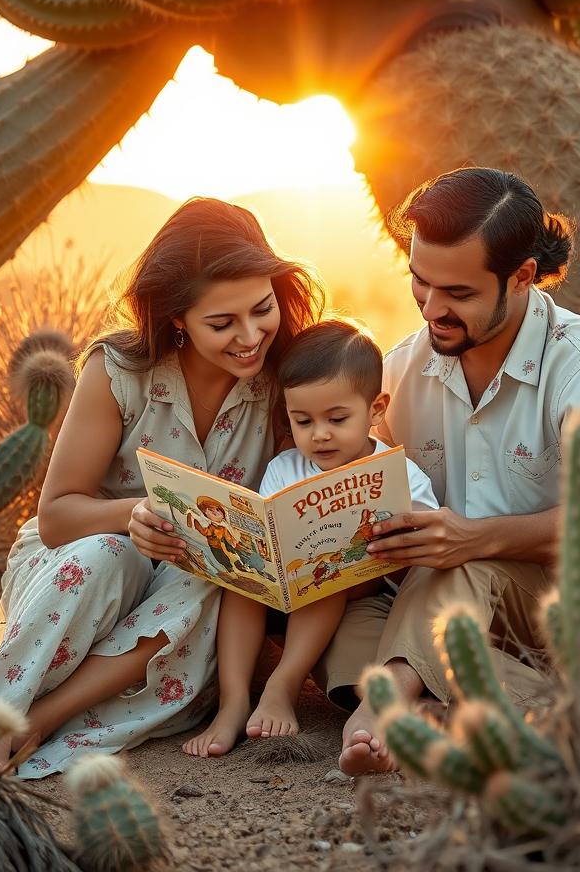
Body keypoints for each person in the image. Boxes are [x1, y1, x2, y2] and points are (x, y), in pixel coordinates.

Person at [0, 198, 324, 777]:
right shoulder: (118, 373)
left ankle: (40, 719)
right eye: (222, 323)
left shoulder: (287, 378)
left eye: (263, 309)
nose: (251, 335)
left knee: (210, 564)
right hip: (83, 560)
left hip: (192, 609)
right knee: (109, 556)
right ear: (177, 318)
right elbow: (56, 516)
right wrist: (136, 514)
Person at [316, 168, 580, 776]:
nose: (433, 308)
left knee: (456, 568)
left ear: (522, 276)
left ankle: (390, 703)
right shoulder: (399, 372)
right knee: (342, 627)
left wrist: (476, 539)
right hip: (439, 614)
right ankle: (462, 715)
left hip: (563, 608)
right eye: (420, 283)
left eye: (459, 294)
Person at [181, 319, 438, 757]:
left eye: (337, 419)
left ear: (376, 409)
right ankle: (234, 702)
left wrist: (402, 527)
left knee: (326, 571)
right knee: (241, 579)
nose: (319, 434)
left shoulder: (399, 472)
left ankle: (282, 685)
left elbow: (426, 539)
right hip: (283, 595)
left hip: (359, 591)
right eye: (302, 421)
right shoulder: (286, 468)